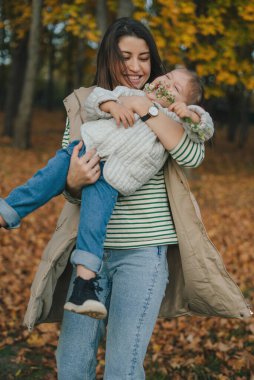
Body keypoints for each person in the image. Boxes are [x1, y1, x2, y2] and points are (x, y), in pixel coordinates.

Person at [10, 17, 251, 380]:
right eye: (125, 57)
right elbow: (69, 180)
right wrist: (74, 182)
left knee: (123, 367)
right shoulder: (88, 101)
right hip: (89, 252)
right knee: (72, 364)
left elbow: (191, 155)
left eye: (144, 58)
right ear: (109, 58)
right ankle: (9, 209)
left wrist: (149, 108)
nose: (136, 67)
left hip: (143, 255)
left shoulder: (170, 111)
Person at [0, 68, 213, 321]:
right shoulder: (130, 92)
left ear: (182, 103)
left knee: (93, 224)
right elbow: (95, 101)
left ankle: (84, 287)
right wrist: (112, 104)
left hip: (113, 178)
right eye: (166, 77)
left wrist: (190, 115)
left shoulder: (174, 123)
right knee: (42, 181)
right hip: (84, 151)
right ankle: (7, 212)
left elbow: (203, 131)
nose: (167, 84)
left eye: (176, 88)